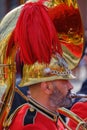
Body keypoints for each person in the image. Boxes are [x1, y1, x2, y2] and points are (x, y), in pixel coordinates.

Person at [0, 1, 84, 130]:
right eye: (64, 81)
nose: (71, 86)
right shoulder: (32, 125)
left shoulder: (50, 115)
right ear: (47, 87)